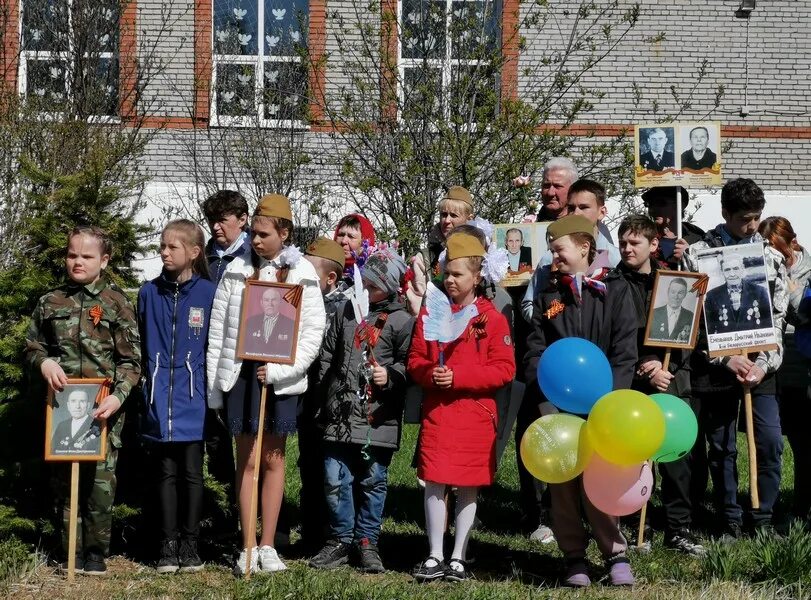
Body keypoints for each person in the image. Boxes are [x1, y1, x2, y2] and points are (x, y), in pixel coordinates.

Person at [207, 194, 326, 575]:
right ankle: (247, 543)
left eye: (262, 234)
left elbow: (311, 332)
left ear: (284, 232)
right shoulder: (236, 270)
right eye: (253, 234)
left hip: (280, 380)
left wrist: (279, 373)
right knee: (248, 459)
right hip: (242, 376)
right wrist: (216, 388)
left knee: (273, 459)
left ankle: (269, 543)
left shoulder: (302, 273)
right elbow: (218, 329)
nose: (255, 241)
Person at [524, 215, 637, 587]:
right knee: (564, 484)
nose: (553, 258)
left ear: (585, 247)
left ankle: (615, 552)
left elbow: (624, 351)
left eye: (558, 250)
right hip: (558, 406)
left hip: (604, 404)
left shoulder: (616, 290)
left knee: (601, 479)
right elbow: (535, 351)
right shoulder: (549, 295)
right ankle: (574, 556)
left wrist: (611, 400)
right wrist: (545, 400)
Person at [25, 225, 141, 575]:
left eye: (87, 256)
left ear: (104, 260)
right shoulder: (50, 302)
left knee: (100, 486)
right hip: (61, 409)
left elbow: (131, 360)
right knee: (64, 486)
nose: (78, 261)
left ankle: (95, 553)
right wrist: (43, 361)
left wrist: (118, 397)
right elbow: (32, 345)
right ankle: (69, 551)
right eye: (72, 254)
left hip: (102, 410)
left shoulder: (117, 302)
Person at [681, 178, 787, 538]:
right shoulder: (698, 255)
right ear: (725, 213)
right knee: (722, 446)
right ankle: (729, 517)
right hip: (717, 369)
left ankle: (763, 516)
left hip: (761, 368)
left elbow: (778, 317)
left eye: (757, 217)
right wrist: (724, 360)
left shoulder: (771, 258)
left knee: (770, 441)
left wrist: (762, 365)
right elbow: (690, 320)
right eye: (744, 218)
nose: (752, 226)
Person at [408, 232, 515, 583]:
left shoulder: (492, 318)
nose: (450, 280)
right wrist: (430, 373)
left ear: (477, 277)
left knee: (469, 484)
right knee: (435, 480)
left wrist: (459, 376)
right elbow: (415, 360)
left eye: (458, 275)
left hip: (475, 413)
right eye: (446, 274)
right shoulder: (432, 313)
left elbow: (504, 369)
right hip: (439, 411)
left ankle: (458, 556)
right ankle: (434, 553)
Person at [309, 250, 413, 574]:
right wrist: (325, 393)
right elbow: (328, 353)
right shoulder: (346, 310)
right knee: (334, 476)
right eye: (363, 282)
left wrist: (392, 374)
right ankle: (340, 538)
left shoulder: (401, 320)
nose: (366, 289)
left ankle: (367, 541)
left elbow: (411, 362)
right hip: (338, 415)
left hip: (376, 418)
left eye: (374, 284)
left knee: (373, 480)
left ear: (391, 286)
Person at [614, 215, 705, 556]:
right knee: (636, 458)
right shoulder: (612, 285)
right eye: (623, 242)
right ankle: (640, 524)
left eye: (635, 243)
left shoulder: (673, 282)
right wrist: (644, 367)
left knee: (676, 460)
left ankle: (678, 528)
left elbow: (689, 335)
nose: (627, 248)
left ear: (653, 246)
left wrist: (668, 368)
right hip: (633, 384)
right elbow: (616, 337)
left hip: (672, 381)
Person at [138, 220, 216, 574]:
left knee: (191, 473)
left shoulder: (208, 293)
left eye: (173, 247)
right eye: (162, 246)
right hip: (158, 394)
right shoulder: (148, 293)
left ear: (194, 252)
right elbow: (139, 341)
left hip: (193, 396)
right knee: (164, 473)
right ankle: (167, 544)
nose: (164, 252)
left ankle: (191, 543)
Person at [202, 190, 250, 539]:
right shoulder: (204, 257)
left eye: (223, 219)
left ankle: (248, 513)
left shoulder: (252, 256)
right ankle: (220, 512)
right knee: (215, 438)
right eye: (212, 220)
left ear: (242, 219)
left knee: (243, 439)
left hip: (240, 357)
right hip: (205, 354)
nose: (216, 227)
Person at [298, 238, 351, 552]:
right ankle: (311, 527)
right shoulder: (299, 299)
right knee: (309, 462)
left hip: (331, 397)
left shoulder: (344, 308)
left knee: (332, 465)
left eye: (309, 271)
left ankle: (336, 530)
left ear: (330, 278)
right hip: (306, 395)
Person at [759, 216, 811, 524]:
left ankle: (801, 508)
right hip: (772, 367)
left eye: (780, 250)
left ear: (793, 243)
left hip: (802, 367)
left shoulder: (808, 271)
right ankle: (767, 506)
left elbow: (801, 314)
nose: (775, 255)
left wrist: (786, 284)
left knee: (805, 447)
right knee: (773, 443)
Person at [405, 186, 475, 316]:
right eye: (443, 214)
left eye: (453, 215)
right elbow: (417, 306)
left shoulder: (483, 254)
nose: (447, 221)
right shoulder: (425, 258)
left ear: (469, 219)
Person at [704, 253, 772, 335]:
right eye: (727, 270)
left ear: (742, 269)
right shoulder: (712, 295)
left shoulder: (760, 292)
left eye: (736, 269)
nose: (732, 274)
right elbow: (709, 329)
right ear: (722, 272)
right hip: (726, 344)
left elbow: (768, 324)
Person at [642, 186, 705, 269]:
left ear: (679, 205)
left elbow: (709, 272)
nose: (653, 209)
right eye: (649, 204)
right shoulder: (644, 237)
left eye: (660, 203)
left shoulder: (697, 237)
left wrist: (690, 255)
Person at [242, 287, 296, 358]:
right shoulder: (250, 322)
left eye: (274, 300)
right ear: (261, 303)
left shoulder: (291, 324)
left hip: (278, 366)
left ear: (280, 302)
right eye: (266, 300)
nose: (270, 304)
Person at [52, 390, 102, 455]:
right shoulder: (62, 425)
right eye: (73, 401)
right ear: (68, 405)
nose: (77, 406)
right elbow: (53, 451)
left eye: (82, 401)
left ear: (88, 405)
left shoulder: (97, 425)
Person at [333, 213, 376, 284]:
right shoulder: (324, 269)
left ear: (364, 241)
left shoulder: (373, 278)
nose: (344, 241)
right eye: (340, 235)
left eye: (351, 236)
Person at [649, 278, 695, 342]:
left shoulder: (691, 316)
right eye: (673, 292)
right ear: (668, 292)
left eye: (680, 293)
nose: (676, 296)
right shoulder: (654, 313)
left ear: (685, 295)